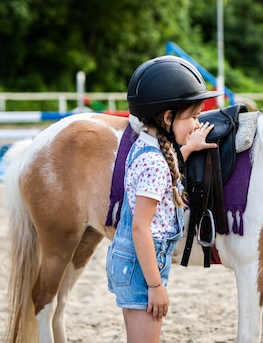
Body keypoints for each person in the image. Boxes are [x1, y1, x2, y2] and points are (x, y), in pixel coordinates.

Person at [106, 55, 222, 343]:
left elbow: (161, 176)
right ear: (168, 117)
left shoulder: (147, 147)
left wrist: (187, 150)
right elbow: (140, 228)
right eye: (193, 117)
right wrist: (155, 286)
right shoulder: (156, 163)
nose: (197, 124)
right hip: (142, 267)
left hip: (136, 263)